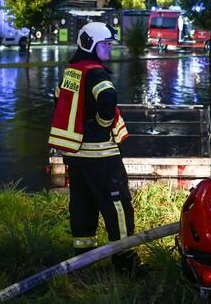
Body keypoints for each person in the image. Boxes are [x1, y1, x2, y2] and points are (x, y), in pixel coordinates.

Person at [48, 21, 143, 273]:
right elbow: (108, 98)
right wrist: (102, 123)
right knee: (118, 206)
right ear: (90, 44)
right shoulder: (97, 73)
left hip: (76, 155)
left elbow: (58, 101)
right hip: (101, 155)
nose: (109, 49)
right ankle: (125, 263)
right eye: (105, 44)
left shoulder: (72, 71)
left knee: (82, 205)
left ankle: (82, 260)